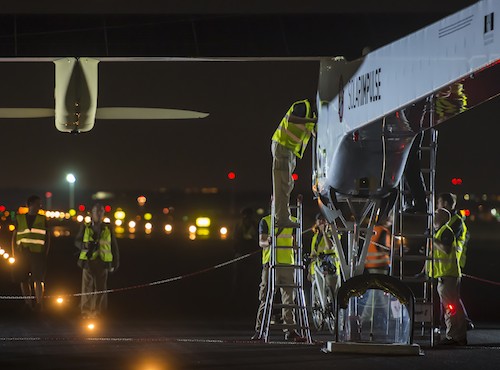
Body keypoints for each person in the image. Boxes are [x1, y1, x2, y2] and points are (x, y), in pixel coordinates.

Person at [252, 213, 305, 342]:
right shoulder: (266, 221)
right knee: (266, 298)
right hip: (271, 263)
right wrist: (267, 241)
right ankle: (260, 330)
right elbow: (261, 242)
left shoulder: (294, 221)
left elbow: (296, 242)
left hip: (288, 263)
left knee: (289, 300)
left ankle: (290, 330)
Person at [272, 99, 317, 228]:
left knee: (287, 184)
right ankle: (281, 218)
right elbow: (291, 119)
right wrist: (312, 122)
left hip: (289, 150)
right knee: (282, 184)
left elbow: (312, 132)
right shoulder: (303, 106)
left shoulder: (310, 115)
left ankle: (282, 216)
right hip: (282, 146)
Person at [427, 208, 467, 345]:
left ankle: (454, 337)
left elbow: (446, 249)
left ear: (444, 218)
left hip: (448, 275)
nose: (433, 216)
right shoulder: (439, 232)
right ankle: (457, 335)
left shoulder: (446, 232)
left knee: (451, 308)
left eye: (437, 215)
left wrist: (433, 240)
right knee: (451, 307)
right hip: (444, 275)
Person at [75, 203, 119, 319]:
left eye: (101, 212)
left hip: (103, 262)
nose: (99, 214)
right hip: (88, 261)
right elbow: (77, 241)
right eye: (97, 211)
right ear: (92, 213)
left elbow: (114, 245)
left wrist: (115, 262)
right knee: (86, 288)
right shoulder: (86, 226)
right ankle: (86, 311)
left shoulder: (108, 228)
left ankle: (98, 312)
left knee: (101, 288)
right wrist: (83, 245)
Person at [437, 192, 473, 330]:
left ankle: (458, 327)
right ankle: (462, 322)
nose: (437, 206)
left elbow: (446, 245)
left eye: (439, 202)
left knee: (450, 300)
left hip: (451, 264)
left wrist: (434, 240)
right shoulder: (452, 220)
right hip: (445, 265)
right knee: (451, 299)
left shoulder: (455, 221)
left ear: (445, 204)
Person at [11, 195, 50, 313]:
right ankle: (28, 303)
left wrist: (45, 253)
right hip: (22, 252)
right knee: (23, 279)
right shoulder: (20, 218)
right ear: (30, 205)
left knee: (38, 279)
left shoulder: (43, 219)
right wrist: (14, 253)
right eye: (38, 204)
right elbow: (14, 236)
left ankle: (39, 304)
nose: (40, 206)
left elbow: (47, 237)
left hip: (37, 253)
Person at [309, 214, 340, 297]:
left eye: (323, 220)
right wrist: (309, 270)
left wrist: (324, 232)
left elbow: (330, 246)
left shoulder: (334, 234)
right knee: (317, 295)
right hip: (316, 270)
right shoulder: (315, 237)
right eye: (319, 220)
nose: (321, 222)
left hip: (330, 269)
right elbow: (313, 254)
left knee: (332, 295)